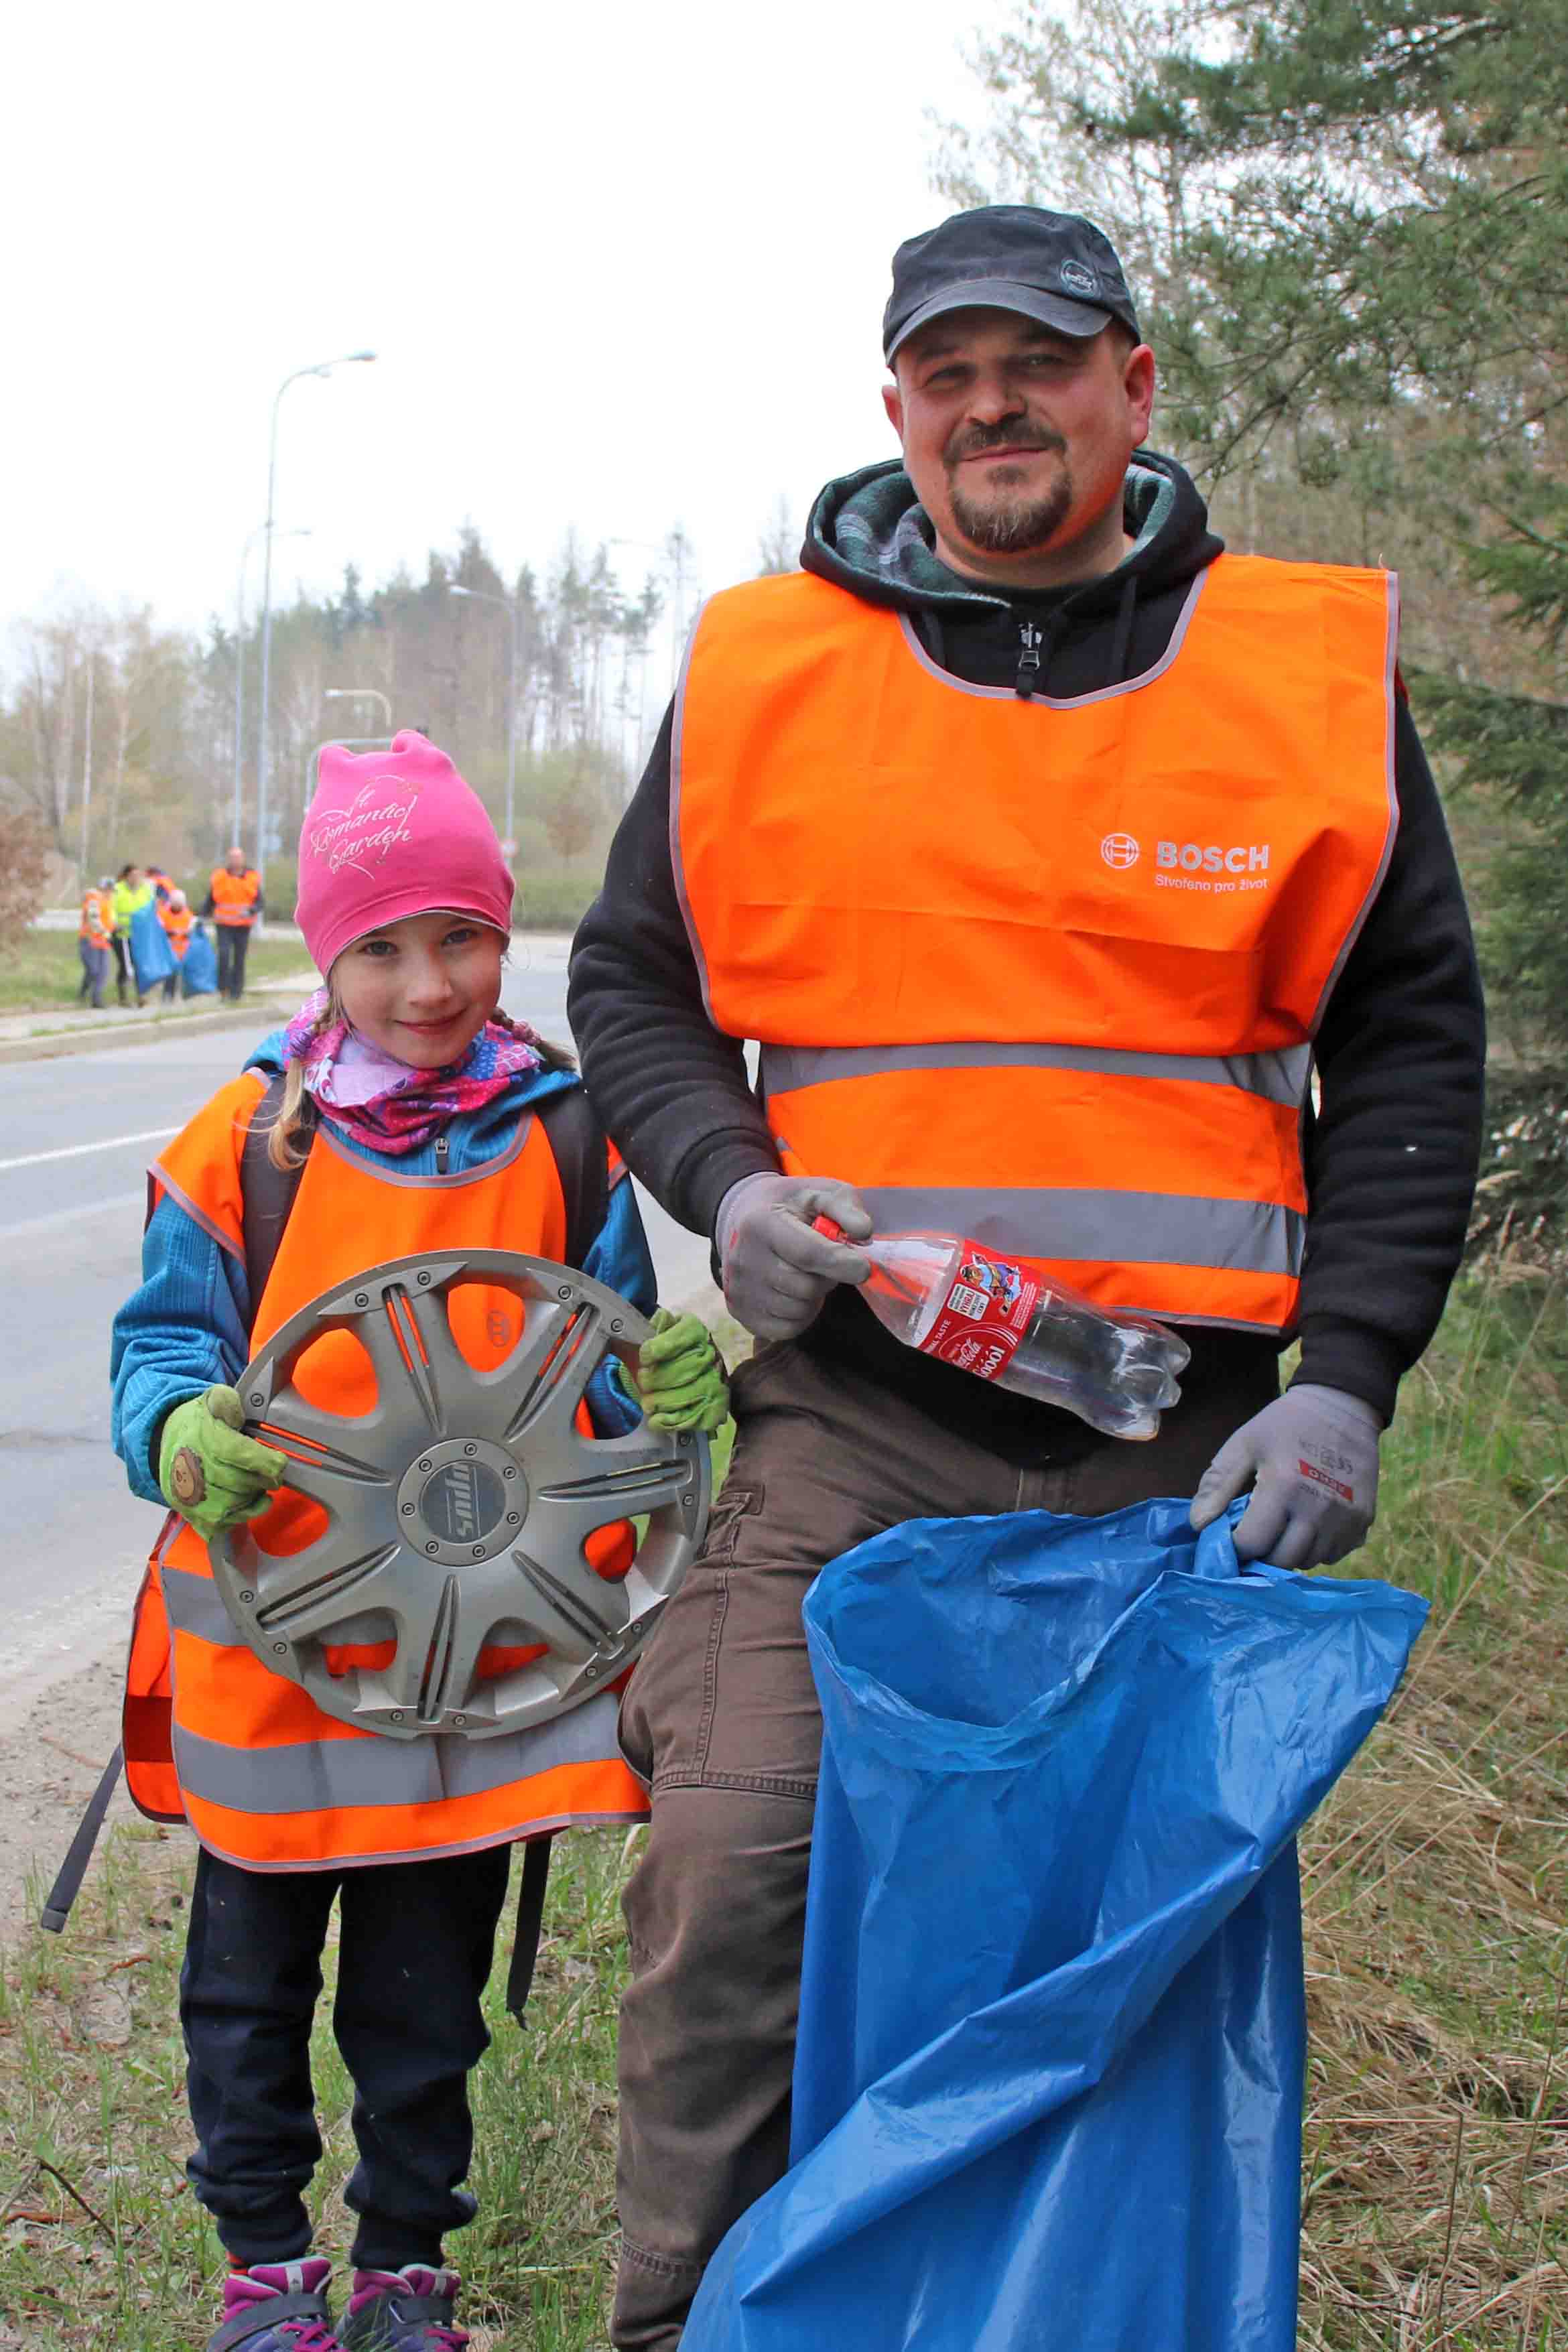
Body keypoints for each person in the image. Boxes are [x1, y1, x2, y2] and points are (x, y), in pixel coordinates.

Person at [566, 204, 1487, 2348]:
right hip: (854, 1444)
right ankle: (688, 2326)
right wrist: (730, 1180)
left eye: (1041, 361)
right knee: (736, 1890)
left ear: (1132, 386)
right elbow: (634, 981)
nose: (995, 405)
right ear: (897, 404)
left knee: (1121, 1962)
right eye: (949, 369)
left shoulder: (1301, 674)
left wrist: (1344, 1374)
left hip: (1189, 1479)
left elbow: (1414, 1033)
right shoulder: (763, 665)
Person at [112, 732, 728, 2352]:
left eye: (458, 932)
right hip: (272, 1648)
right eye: (382, 943)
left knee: (420, 1995)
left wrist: (663, 1390)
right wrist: (177, 1432)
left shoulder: (563, 1132)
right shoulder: (249, 1143)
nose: (428, 979)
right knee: (244, 1991)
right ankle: (262, 2267)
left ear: (499, 933)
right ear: (327, 951)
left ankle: (401, 2268)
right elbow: (159, 1352)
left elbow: (604, 1368)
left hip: (471, 1661)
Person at [203, 844, 264, 1000]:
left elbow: (260, 902)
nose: (235, 861)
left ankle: (237, 992)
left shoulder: (252, 877)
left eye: (238, 858)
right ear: (228, 860)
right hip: (223, 924)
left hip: (243, 926)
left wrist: (252, 910)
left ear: (243, 860)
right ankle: (223, 989)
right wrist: (202, 916)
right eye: (232, 858)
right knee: (223, 955)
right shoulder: (219, 877)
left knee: (239, 959)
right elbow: (210, 899)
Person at [110, 862, 152, 1006]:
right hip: (121, 934)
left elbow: (151, 909)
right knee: (125, 965)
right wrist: (114, 923)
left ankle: (141, 995)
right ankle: (123, 997)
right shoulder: (117, 890)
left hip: (139, 935)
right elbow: (110, 908)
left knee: (139, 964)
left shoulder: (145, 890)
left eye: (138, 876)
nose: (136, 879)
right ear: (127, 876)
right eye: (133, 876)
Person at [78, 874, 116, 1008]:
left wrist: (115, 927)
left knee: (103, 972)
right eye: (109, 889)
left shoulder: (108, 902)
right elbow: (94, 921)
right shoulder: (94, 900)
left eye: (112, 890)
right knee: (93, 970)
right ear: (103, 888)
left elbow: (107, 921)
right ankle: (83, 992)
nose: (111, 893)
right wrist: (107, 933)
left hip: (102, 942)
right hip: (90, 940)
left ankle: (96, 999)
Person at [155, 886, 193, 1002]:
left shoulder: (188, 915)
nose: (178, 906)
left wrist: (188, 934)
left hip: (184, 952)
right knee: (170, 975)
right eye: (176, 903)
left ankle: (185, 995)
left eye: (180, 904)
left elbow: (192, 929)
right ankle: (167, 996)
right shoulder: (163, 913)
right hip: (167, 951)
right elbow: (158, 929)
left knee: (182, 975)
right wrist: (167, 933)